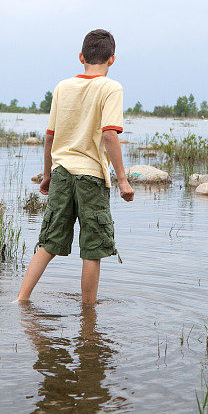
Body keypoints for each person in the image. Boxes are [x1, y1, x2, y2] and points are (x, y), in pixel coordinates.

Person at [16, 29, 134, 304]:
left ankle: (21, 300)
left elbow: (50, 136)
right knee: (92, 250)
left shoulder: (62, 87)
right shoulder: (111, 88)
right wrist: (123, 180)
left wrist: (47, 176)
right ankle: (88, 314)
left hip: (61, 173)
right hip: (91, 177)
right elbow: (109, 134)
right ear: (112, 59)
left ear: (81, 57)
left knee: (48, 242)